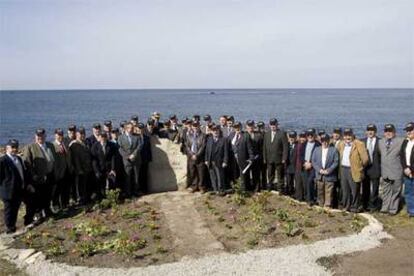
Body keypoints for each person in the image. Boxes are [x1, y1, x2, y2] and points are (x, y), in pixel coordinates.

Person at [23, 128, 56, 224]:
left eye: (41, 136)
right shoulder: (30, 147)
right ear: (35, 137)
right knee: (38, 196)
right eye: (38, 136)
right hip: (38, 177)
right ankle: (39, 214)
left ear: (45, 136)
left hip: (50, 174)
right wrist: (33, 176)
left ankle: (47, 210)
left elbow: (53, 159)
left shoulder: (50, 145)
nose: (40, 137)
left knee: (48, 194)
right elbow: (27, 164)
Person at [0, 139, 31, 233]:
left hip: (18, 190)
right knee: (9, 210)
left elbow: (22, 172)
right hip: (8, 191)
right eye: (12, 147)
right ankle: (9, 228)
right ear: (7, 148)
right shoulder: (3, 160)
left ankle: (13, 226)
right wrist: (4, 188)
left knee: (15, 209)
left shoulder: (18, 159)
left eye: (16, 147)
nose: (15, 149)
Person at [337, 128, 369, 212]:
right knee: (345, 189)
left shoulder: (359, 144)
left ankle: (355, 207)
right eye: (345, 135)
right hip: (343, 169)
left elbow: (365, 159)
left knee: (354, 189)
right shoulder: (341, 144)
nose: (347, 137)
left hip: (354, 170)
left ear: (352, 135)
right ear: (343, 136)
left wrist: (359, 167)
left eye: (349, 135)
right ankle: (346, 206)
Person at [378, 124, 404, 215]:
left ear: (394, 132)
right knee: (386, 191)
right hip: (385, 171)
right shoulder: (380, 142)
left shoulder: (401, 141)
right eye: (386, 131)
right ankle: (385, 208)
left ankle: (393, 209)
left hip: (396, 171)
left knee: (396, 192)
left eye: (390, 131)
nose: (388, 133)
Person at [312, 134, 339, 207]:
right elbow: (313, 161)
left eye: (326, 140)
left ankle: (328, 206)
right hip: (319, 174)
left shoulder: (334, 150)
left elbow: (336, 162)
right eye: (323, 141)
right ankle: (320, 205)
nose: (325, 142)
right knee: (320, 191)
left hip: (329, 175)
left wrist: (329, 170)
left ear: (329, 141)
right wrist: (319, 170)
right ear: (321, 141)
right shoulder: (316, 149)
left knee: (329, 192)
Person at [263, 118, 288, 191]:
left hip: (279, 159)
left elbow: (285, 147)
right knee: (270, 174)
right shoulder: (267, 134)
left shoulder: (282, 134)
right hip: (269, 158)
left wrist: (284, 158)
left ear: (277, 124)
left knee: (280, 175)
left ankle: (280, 189)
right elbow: (264, 147)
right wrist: (264, 158)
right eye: (271, 125)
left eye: (274, 124)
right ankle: (270, 187)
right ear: (269, 125)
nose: (273, 126)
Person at [118, 122, 143, 197]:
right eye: (129, 128)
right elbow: (120, 149)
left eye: (132, 128)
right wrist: (127, 156)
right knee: (127, 177)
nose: (131, 129)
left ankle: (136, 191)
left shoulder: (137, 136)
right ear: (125, 128)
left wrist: (134, 155)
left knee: (136, 177)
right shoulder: (121, 138)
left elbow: (139, 146)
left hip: (136, 159)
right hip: (127, 160)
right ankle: (128, 193)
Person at [228, 122, 254, 191]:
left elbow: (249, 148)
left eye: (238, 127)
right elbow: (228, 146)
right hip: (233, 159)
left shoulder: (246, 135)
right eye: (235, 127)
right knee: (234, 174)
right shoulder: (231, 135)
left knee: (243, 175)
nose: (237, 129)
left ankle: (244, 190)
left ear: (241, 127)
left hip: (242, 158)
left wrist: (251, 157)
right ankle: (236, 188)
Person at [69, 127, 93, 204]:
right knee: (79, 186)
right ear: (76, 134)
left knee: (85, 185)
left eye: (83, 133)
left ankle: (85, 198)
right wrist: (79, 169)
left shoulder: (85, 143)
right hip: (79, 170)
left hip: (87, 168)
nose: (82, 135)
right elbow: (75, 159)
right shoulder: (74, 144)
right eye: (80, 134)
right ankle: (80, 199)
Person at [52, 128, 73, 212]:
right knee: (57, 190)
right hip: (58, 172)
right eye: (58, 134)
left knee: (66, 189)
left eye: (61, 134)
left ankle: (65, 204)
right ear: (55, 135)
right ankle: (56, 205)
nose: (60, 136)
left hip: (67, 170)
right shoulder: (53, 146)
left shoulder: (65, 144)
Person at [362, 124, 381, 211]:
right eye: (369, 130)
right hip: (365, 169)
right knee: (365, 188)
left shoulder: (380, 141)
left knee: (375, 188)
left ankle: (373, 205)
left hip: (376, 168)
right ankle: (365, 205)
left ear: (375, 132)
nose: (370, 132)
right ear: (366, 132)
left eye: (372, 130)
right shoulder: (362, 142)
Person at [91, 132, 117, 197]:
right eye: (101, 137)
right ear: (99, 137)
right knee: (101, 184)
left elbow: (113, 158)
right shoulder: (95, 146)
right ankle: (102, 197)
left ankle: (112, 197)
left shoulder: (111, 145)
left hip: (109, 168)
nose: (103, 138)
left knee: (112, 181)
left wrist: (113, 169)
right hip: (100, 168)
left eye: (104, 136)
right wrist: (97, 171)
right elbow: (94, 160)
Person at [204, 125, 228, 195]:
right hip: (210, 161)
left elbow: (226, 152)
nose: (215, 132)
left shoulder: (223, 140)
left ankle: (221, 190)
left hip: (219, 162)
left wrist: (225, 161)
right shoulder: (209, 139)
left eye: (216, 130)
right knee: (213, 176)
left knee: (220, 176)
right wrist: (206, 159)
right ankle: (215, 189)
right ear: (211, 131)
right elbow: (207, 151)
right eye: (214, 130)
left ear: (219, 131)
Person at [185, 121, 207, 193]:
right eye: (194, 126)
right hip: (191, 157)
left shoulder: (203, 135)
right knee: (192, 172)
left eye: (196, 126)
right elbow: (187, 146)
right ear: (192, 127)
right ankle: (194, 186)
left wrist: (197, 155)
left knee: (201, 173)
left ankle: (201, 187)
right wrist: (192, 154)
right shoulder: (189, 135)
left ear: (199, 126)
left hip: (200, 157)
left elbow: (203, 146)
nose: (195, 127)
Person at [301, 128, 320, 205]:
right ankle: (307, 198)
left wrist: (311, 164)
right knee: (305, 182)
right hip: (305, 165)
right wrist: (305, 163)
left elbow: (319, 157)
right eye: (308, 135)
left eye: (311, 135)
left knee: (310, 182)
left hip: (313, 167)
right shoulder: (304, 144)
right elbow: (301, 155)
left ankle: (311, 199)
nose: (310, 136)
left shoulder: (318, 145)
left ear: (314, 135)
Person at [246, 120, 264, 192]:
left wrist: (258, 156)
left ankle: (256, 189)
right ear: (246, 127)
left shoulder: (258, 135)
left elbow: (261, 148)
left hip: (256, 158)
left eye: (252, 126)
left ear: (254, 126)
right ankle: (248, 188)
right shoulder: (244, 135)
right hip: (247, 159)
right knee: (247, 174)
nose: (250, 128)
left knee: (256, 174)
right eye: (249, 126)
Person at [400, 122, 414, 217]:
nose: (408, 132)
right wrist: (405, 168)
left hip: (412, 170)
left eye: (410, 130)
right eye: (407, 131)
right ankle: (411, 211)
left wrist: (411, 169)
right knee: (408, 192)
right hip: (406, 171)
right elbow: (402, 155)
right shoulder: (405, 141)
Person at [137, 123, 152, 194]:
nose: (140, 130)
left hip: (145, 159)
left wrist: (149, 158)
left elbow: (149, 149)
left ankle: (145, 190)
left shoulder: (146, 137)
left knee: (145, 175)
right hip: (138, 159)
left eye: (142, 128)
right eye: (139, 128)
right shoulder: (135, 137)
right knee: (138, 175)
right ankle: (139, 190)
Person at [293, 131, 307, 201]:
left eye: (304, 137)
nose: (302, 139)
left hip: (305, 168)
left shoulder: (307, 145)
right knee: (298, 184)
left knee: (305, 184)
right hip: (297, 167)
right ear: (298, 137)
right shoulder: (296, 145)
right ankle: (299, 198)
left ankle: (305, 198)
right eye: (301, 137)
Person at [285, 131, 297, 196]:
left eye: (293, 137)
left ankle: (295, 193)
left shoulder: (298, 145)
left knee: (296, 182)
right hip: (288, 166)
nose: (291, 139)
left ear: (296, 137)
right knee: (289, 181)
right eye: (290, 137)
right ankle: (289, 192)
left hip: (295, 166)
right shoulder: (286, 144)